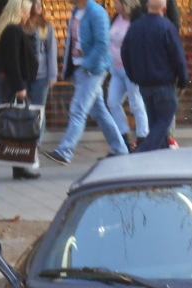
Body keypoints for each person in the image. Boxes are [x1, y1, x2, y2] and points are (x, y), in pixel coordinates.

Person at [43, 0, 129, 165]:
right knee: (99, 112)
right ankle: (120, 148)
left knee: (78, 110)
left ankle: (65, 151)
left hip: (93, 70)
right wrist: (69, 68)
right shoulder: (76, 12)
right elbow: (72, 42)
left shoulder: (97, 12)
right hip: (80, 69)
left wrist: (87, 66)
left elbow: (102, 44)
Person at [120, 0, 186, 152]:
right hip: (164, 83)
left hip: (144, 84)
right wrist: (182, 80)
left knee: (155, 121)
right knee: (164, 120)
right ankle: (144, 152)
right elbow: (177, 56)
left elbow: (125, 52)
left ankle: (159, 155)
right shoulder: (167, 26)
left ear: (147, 7)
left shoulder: (135, 27)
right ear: (164, 8)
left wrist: (133, 75)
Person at [0, 0, 41, 179]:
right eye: (26, 12)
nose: (28, 15)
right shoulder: (13, 30)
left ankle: (18, 167)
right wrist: (19, 86)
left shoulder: (10, 29)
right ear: (18, 12)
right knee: (15, 123)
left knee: (15, 122)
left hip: (13, 82)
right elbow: (13, 61)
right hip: (14, 84)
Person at [107, 0, 147, 152]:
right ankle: (123, 136)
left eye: (117, 2)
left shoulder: (137, 20)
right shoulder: (115, 18)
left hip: (131, 68)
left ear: (126, 4)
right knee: (112, 102)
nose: (114, 6)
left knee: (135, 102)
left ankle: (143, 137)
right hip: (116, 68)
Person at [27, 0, 56, 149]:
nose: (38, 7)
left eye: (40, 4)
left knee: (39, 109)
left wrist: (52, 76)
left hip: (42, 74)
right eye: (35, 4)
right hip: (25, 74)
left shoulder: (47, 27)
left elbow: (51, 52)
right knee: (26, 109)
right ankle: (26, 138)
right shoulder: (24, 24)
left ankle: (36, 141)